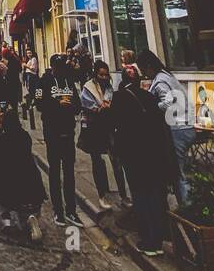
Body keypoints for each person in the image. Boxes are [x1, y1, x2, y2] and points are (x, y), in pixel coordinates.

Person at [112, 60, 176, 256]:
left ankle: (149, 239)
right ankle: (160, 234)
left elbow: (116, 126)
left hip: (134, 155)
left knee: (141, 194)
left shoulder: (119, 98)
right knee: (155, 194)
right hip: (154, 153)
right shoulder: (149, 98)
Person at [140, 49, 196, 204]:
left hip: (177, 127)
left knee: (178, 171)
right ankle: (186, 201)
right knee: (182, 169)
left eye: (144, 70)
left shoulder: (160, 81)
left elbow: (168, 102)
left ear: (149, 66)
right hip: (187, 125)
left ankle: (187, 206)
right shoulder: (168, 76)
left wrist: (151, 108)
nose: (145, 74)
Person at [0, 102, 45, 243]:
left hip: (9, 189)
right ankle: (32, 218)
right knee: (26, 215)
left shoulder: (1, 140)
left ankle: (7, 222)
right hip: (33, 186)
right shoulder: (25, 137)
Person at [39, 54, 83, 227]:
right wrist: (57, 104)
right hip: (52, 132)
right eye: (57, 66)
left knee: (69, 173)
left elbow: (78, 105)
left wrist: (70, 105)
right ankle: (58, 211)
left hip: (67, 132)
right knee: (55, 172)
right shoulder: (43, 82)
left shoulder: (69, 82)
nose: (60, 68)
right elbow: (38, 101)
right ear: (52, 66)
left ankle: (71, 210)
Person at [80, 59, 128, 213]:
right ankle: (102, 195)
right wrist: (99, 108)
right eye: (101, 74)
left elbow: (111, 104)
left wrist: (107, 106)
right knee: (97, 161)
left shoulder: (109, 88)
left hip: (108, 127)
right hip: (94, 128)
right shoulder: (88, 87)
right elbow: (87, 104)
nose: (104, 77)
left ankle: (123, 195)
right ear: (95, 75)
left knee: (116, 160)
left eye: (106, 75)